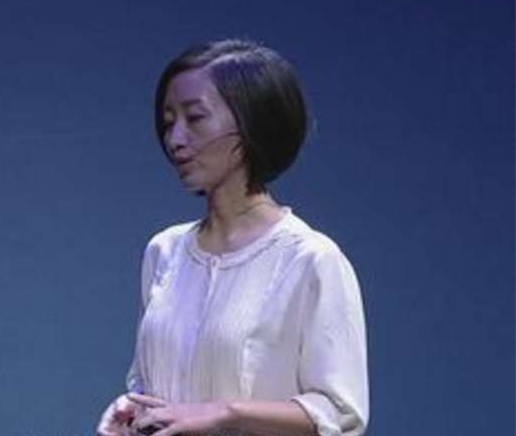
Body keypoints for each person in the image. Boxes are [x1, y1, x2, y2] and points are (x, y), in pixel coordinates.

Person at [97, 38, 369, 436]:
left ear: (251, 123)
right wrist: (133, 409)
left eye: (195, 118)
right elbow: (148, 379)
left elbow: (340, 413)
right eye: (169, 122)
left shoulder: (309, 260)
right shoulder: (165, 251)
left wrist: (226, 412)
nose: (175, 139)